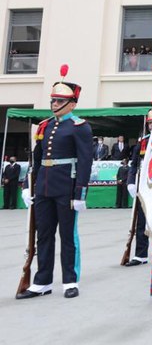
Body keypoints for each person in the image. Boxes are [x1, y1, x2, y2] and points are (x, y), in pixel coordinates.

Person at [17, 65, 93, 300]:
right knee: (44, 235)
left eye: (60, 100)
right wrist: (28, 184)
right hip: (44, 187)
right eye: (53, 100)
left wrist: (79, 193)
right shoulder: (45, 126)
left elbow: (85, 161)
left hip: (66, 187)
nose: (54, 104)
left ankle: (70, 280)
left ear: (72, 103)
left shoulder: (80, 127)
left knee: (68, 236)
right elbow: (37, 159)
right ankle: (42, 281)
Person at [124, 101, 152, 268]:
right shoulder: (142, 142)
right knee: (141, 221)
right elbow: (134, 164)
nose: (151, 126)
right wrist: (130, 182)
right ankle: (141, 254)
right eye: (149, 123)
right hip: (144, 185)